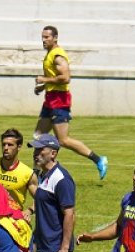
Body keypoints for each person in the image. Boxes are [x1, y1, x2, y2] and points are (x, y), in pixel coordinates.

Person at [34, 25, 108, 180]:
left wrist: (44, 79)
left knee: (63, 140)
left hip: (59, 100)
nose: (44, 40)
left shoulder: (57, 56)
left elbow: (66, 77)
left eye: (47, 37)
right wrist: (43, 86)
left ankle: (99, 159)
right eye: (43, 37)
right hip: (50, 98)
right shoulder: (49, 54)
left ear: (55, 38)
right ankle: (38, 175)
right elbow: (56, 78)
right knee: (39, 137)